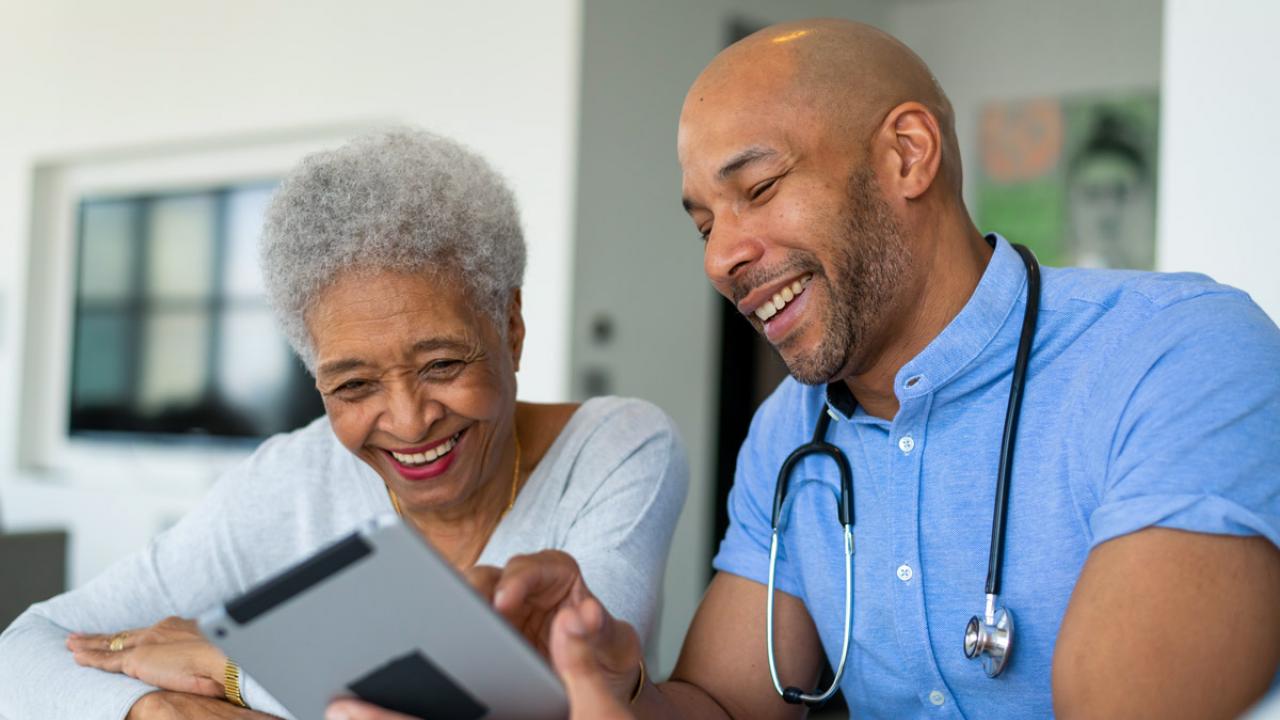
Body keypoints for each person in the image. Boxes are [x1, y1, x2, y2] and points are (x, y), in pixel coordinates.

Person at [331, 18, 1280, 720]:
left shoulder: (1177, 352)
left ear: (907, 155)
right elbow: (726, 707)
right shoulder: (793, 430)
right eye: (704, 222)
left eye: (758, 189)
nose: (719, 258)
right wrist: (604, 687)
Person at [0, 129, 688, 720]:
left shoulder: (619, 448)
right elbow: (22, 654)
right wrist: (152, 707)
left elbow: (556, 700)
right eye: (355, 384)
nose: (410, 420)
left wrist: (232, 667)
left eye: (442, 364)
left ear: (509, 324)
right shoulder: (292, 479)